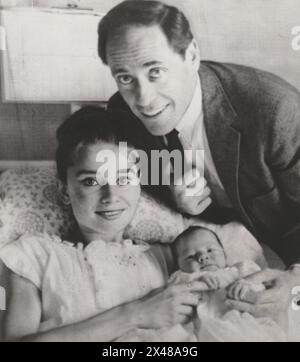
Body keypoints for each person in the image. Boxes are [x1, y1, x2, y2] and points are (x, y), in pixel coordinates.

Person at [97, 0, 300, 326]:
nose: (144, 100)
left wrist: (295, 280)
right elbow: (142, 168)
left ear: (191, 55)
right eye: (125, 78)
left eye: (156, 72)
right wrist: (171, 187)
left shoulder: (275, 111)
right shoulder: (122, 115)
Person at [0, 107, 207, 342]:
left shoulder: (170, 256)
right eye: (91, 181)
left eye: (123, 178)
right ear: (64, 190)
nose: (110, 195)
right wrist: (135, 314)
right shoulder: (32, 257)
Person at [119, 226, 286, 341]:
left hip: (253, 320)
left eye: (210, 250)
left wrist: (245, 284)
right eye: (190, 257)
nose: (203, 257)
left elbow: (263, 282)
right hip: (213, 328)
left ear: (225, 254)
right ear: (179, 266)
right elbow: (175, 294)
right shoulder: (183, 278)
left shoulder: (240, 269)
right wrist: (198, 282)